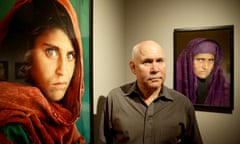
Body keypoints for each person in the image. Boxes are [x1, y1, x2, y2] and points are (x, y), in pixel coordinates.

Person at [0, 0, 85, 143]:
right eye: (51, 52)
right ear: (26, 56)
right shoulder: (12, 127)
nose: (62, 70)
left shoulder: (64, 119)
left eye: (70, 55)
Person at [98, 40, 203, 144]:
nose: (155, 69)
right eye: (147, 62)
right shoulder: (115, 99)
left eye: (160, 61)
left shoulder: (182, 104)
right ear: (133, 67)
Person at [176, 38, 230, 107]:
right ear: (189, 60)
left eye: (211, 60)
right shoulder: (176, 83)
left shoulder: (223, 85)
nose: (206, 67)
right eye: (200, 60)